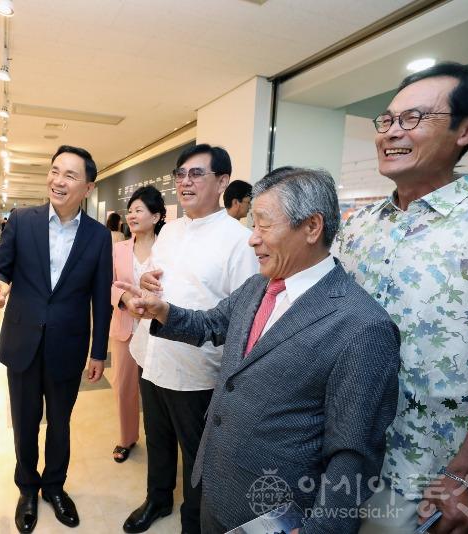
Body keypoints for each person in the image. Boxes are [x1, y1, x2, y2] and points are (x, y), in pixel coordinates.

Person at [118, 167, 401, 534]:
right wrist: (163, 311)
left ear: (312, 227)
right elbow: (211, 325)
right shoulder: (258, 287)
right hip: (216, 486)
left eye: (264, 226)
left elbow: (353, 455)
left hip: (274, 511)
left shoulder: (362, 326)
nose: (252, 240)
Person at [333, 62, 468, 534]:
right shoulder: (358, 227)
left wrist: (463, 473)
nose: (392, 132)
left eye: (413, 119)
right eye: (387, 120)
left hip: (422, 473)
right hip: (338, 451)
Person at [121, 144, 259, 534]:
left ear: (222, 181)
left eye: (196, 174)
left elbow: (240, 317)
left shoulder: (238, 241)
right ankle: (157, 499)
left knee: (198, 456)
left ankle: (193, 522)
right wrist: (141, 289)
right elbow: (150, 279)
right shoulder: (170, 231)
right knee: (157, 438)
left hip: (198, 371)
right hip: (153, 356)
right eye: (180, 174)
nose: (185, 182)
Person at [0, 145, 113, 534]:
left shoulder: (98, 236)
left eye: (70, 175)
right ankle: (27, 488)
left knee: (60, 423)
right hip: (22, 340)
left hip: (68, 346)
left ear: (88, 186)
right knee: (25, 422)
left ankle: (54, 487)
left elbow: (100, 297)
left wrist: (99, 351)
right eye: (55, 171)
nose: (58, 180)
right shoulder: (22, 220)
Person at [109, 186, 166, 463]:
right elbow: (106, 285)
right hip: (125, 327)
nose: (131, 215)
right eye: (130, 210)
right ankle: (127, 437)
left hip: (160, 329)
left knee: (158, 391)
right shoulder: (118, 249)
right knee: (124, 386)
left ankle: (162, 444)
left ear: (155, 217)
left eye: (138, 210)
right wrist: (124, 299)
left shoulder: (167, 249)